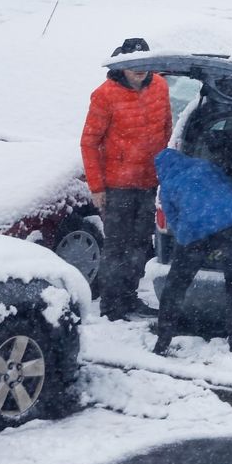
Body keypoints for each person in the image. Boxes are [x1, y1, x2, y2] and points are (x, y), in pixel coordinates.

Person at [80, 37, 172, 320]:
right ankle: (111, 305)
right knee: (117, 247)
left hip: (149, 182)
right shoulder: (104, 94)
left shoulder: (160, 85)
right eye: (133, 65)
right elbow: (89, 142)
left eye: (144, 64)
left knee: (140, 245)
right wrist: (97, 187)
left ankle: (129, 298)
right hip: (117, 185)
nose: (140, 70)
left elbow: (167, 127)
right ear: (121, 65)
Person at [152, 147, 232, 355]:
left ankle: (163, 339)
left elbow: (173, 222)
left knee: (176, 285)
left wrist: (190, 250)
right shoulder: (204, 166)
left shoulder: (167, 185)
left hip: (196, 230)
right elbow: (229, 187)